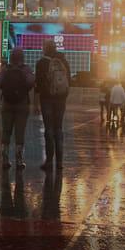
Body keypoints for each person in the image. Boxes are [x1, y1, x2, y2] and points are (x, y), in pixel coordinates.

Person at [0, 48, 35, 169]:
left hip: (7, 103)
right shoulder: (26, 69)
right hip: (22, 104)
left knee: (6, 131)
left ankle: (5, 158)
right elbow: (31, 83)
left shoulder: (5, 69)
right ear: (22, 57)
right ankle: (19, 160)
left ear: (11, 57)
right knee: (20, 131)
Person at [35, 40, 71, 169]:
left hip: (46, 99)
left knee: (49, 129)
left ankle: (49, 162)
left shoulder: (41, 63)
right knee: (58, 129)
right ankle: (60, 163)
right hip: (61, 100)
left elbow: (38, 84)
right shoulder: (63, 62)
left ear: (45, 48)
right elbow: (68, 81)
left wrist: (36, 102)